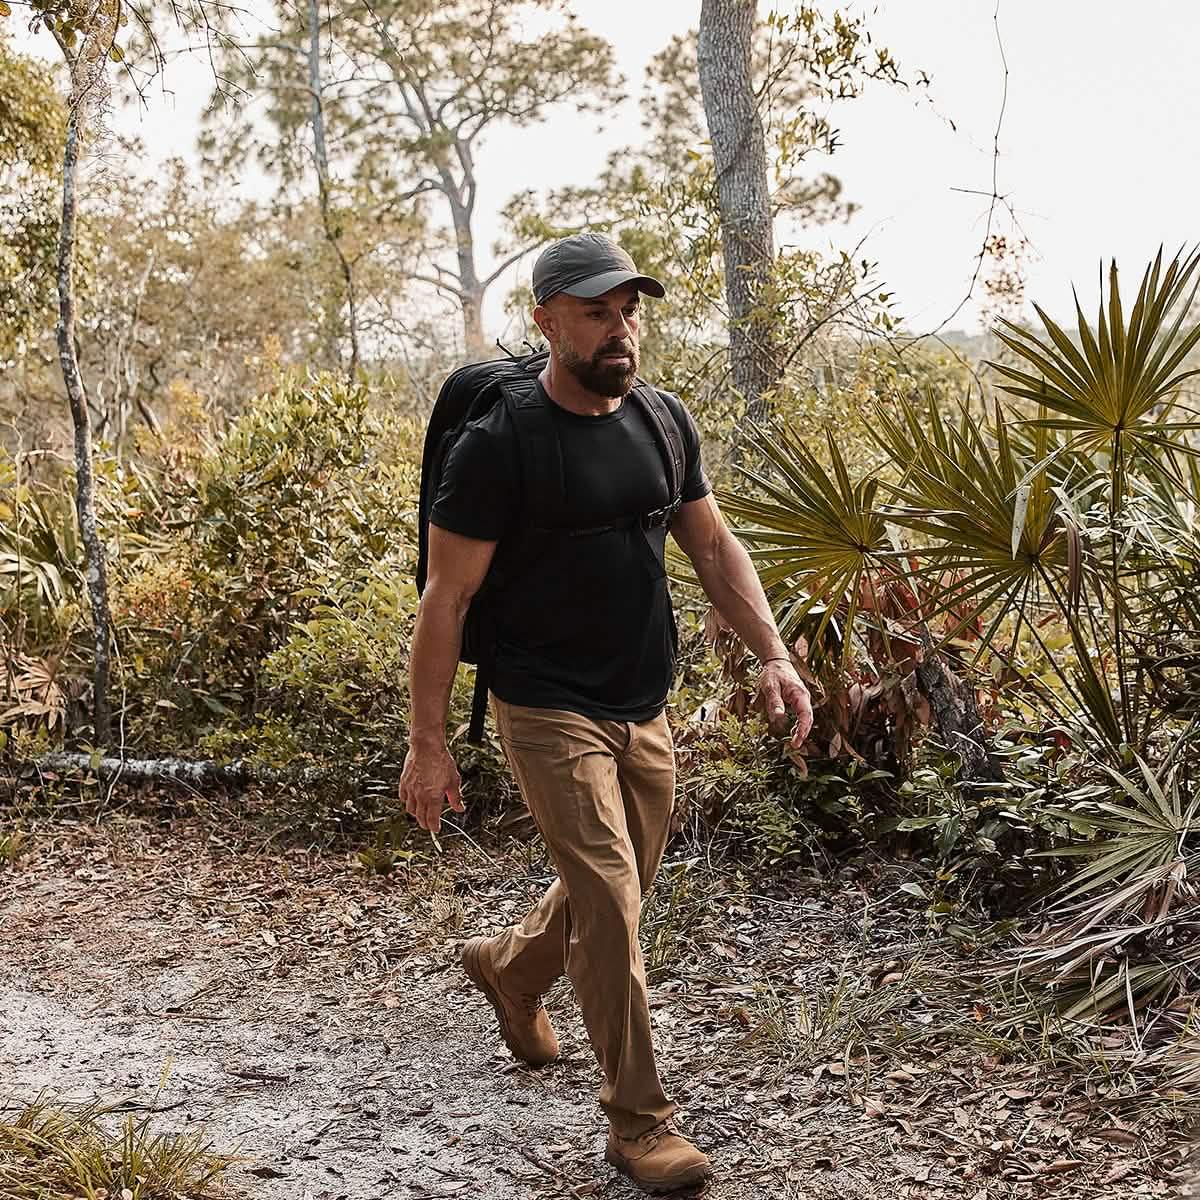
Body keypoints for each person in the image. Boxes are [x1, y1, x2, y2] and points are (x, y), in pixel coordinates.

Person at [400, 232, 813, 1194]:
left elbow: (713, 549)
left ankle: (510, 969)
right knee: (614, 906)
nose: (619, 329)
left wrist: (775, 656)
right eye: (595, 311)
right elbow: (445, 600)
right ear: (546, 320)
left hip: (642, 696)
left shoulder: (662, 422)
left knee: (615, 885)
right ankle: (640, 1124)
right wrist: (428, 746)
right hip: (544, 700)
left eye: (628, 310)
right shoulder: (500, 445)